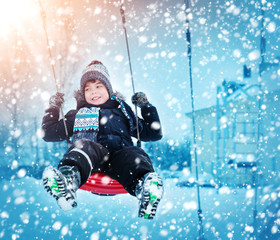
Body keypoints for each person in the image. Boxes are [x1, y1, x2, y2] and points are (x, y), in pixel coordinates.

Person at [41, 60, 163, 219]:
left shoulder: (124, 113)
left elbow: (154, 133)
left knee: (133, 154)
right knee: (83, 146)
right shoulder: (78, 115)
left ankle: (145, 188)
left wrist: (146, 107)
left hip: (122, 160)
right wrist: (53, 108)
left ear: (108, 89)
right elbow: (48, 133)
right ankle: (67, 182)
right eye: (88, 88)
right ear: (83, 93)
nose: (93, 92)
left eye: (98, 86)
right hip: (91, 163)